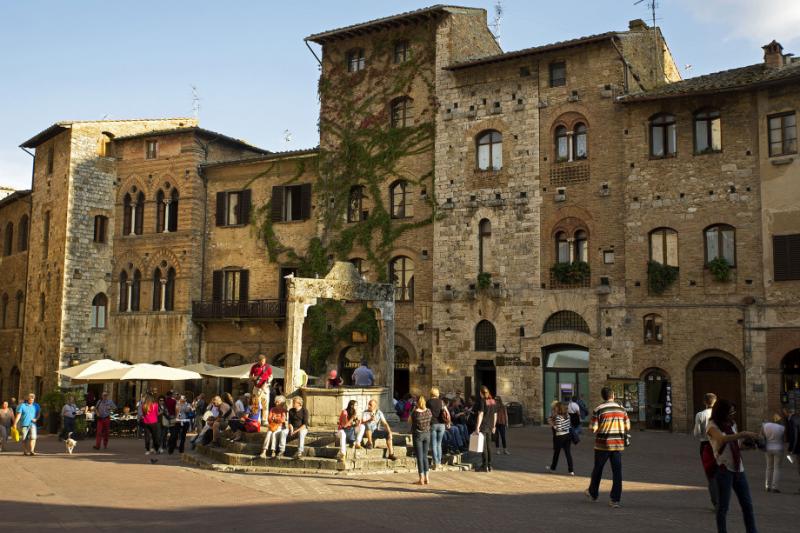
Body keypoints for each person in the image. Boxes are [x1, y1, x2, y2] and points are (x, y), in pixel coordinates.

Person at [707, 398, 759, 533]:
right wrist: (743, 433)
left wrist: (748, 445)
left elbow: (736, 444)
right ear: (721, 412)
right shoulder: (712, 426)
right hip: (724, 470)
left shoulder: (731, 424)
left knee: (747, 505)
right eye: (730, 412)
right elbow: (722, 439)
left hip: (738, 469)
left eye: (733, 412)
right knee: (723, 507)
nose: (732, 414)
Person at [585, 387, 630, 508]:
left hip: (602, 445)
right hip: (617, 444)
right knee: (617, 472)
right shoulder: (622, 409)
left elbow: (593, 428)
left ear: (603, 396)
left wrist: (598, 427)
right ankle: (615, 500)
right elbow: (628, 427)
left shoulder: (599, 409)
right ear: (613, 396)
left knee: (598, 470)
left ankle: (593, 493)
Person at [694, 392, 720, 510]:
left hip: (705, 445)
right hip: (719, 444)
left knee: (711, 475)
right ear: (715, 401)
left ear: (704, 402)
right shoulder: (720, 414)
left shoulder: (700, 415)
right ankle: (722, 500)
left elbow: (696, 433)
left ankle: (716, 502)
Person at [473, 386, 497, 472]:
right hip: (490, 426)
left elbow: (481, 414)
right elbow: (495, 415)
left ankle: (484, 465)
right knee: (489, 446)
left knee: (484, 447)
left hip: (483, 426)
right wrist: (494, 426)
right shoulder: (492, 401)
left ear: (481, 393)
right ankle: (490, 465)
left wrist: (477, 427)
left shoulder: (482, 401)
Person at [546, 401, 574, 475]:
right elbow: (568, 426)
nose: (555, 409)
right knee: (568, 453)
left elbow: (558, 428)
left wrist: (552, 425)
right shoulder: (568, 415)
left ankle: (553, 468)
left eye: (556, 408)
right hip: (567, 435)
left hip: (560, 436)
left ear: (558, 408)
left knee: (556, 453)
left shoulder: (558, 417)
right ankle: (571, 470)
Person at [761, 413, 785, 493]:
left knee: (768, 467)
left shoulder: (766, 426)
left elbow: (762, 436)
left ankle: (767, 486)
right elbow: (783, 439)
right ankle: (775, 487)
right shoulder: (781, 427)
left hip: (768, 448)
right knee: (777, 468)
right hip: (778, 448)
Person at [410, 395, 432, 485]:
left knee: (419, 457)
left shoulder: (415, 412)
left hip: (418, 434)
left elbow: (409, 421)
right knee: (425, 456)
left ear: (417, 402)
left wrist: (413, 409)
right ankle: (427, 478)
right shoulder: (428, 411)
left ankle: (421, 479)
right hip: (427, 434)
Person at [249, 353, 273, 426]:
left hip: (265, 387)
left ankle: (264, 420)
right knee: (256, 404)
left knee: (265, 404)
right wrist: (253, 378)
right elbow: (250, 375)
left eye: (264, 361)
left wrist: (266, 383)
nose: (263, 362)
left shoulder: (268, 367)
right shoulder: (254, 367)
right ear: (258, 361)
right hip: (256, 387)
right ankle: (257, 419)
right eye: (261, 361)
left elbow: (271, 376)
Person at [427, 387, 448, 469]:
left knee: (433, 444)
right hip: (441, 425)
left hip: (433, 424)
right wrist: (448, 422)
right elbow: (446, 412)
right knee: (439, 444)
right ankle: (439, 463)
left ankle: (435, 463)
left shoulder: (428, 402)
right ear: (437, 393)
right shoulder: (441, 402)